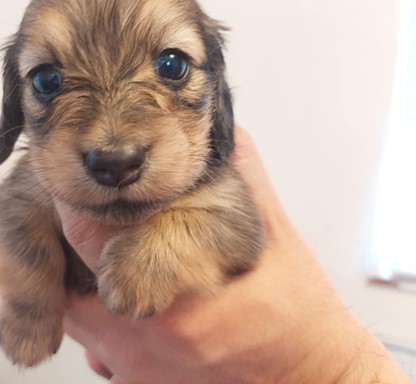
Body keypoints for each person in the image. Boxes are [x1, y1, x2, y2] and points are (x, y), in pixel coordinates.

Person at [56, 127, 411, 384]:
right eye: (49, 81)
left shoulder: (213, 170)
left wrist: (315, 368)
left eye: (171, 66)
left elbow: (237, 230)